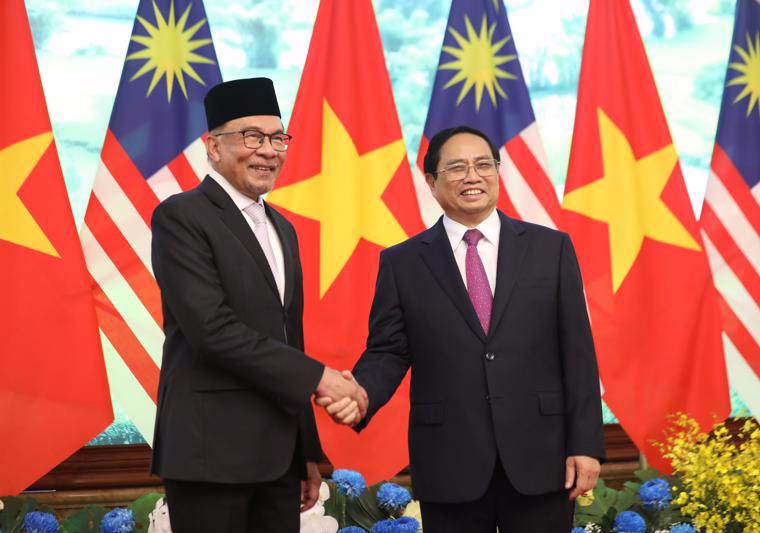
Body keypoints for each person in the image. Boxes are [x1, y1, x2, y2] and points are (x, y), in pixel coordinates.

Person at [320, 125, 605, 533]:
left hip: (541, 456)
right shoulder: (403, 263)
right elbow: (389, 351)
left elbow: (578, 354)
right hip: (449, 460)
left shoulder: (550, 249)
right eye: (457, 167)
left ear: (497, 172)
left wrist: (585, 445)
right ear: (432, 181)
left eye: (483, 164)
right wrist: (361, 394)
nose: (473, 176)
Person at [150, 77, 363, 533]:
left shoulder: (283, 228)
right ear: (213, 147)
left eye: (278, 138)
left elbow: (289, 339)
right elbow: (212, 331)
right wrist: (320, 377)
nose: (269, 150)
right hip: (210, 455)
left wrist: (305, 449)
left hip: (279, 458)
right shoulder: (181, 216)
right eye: (252, 137)